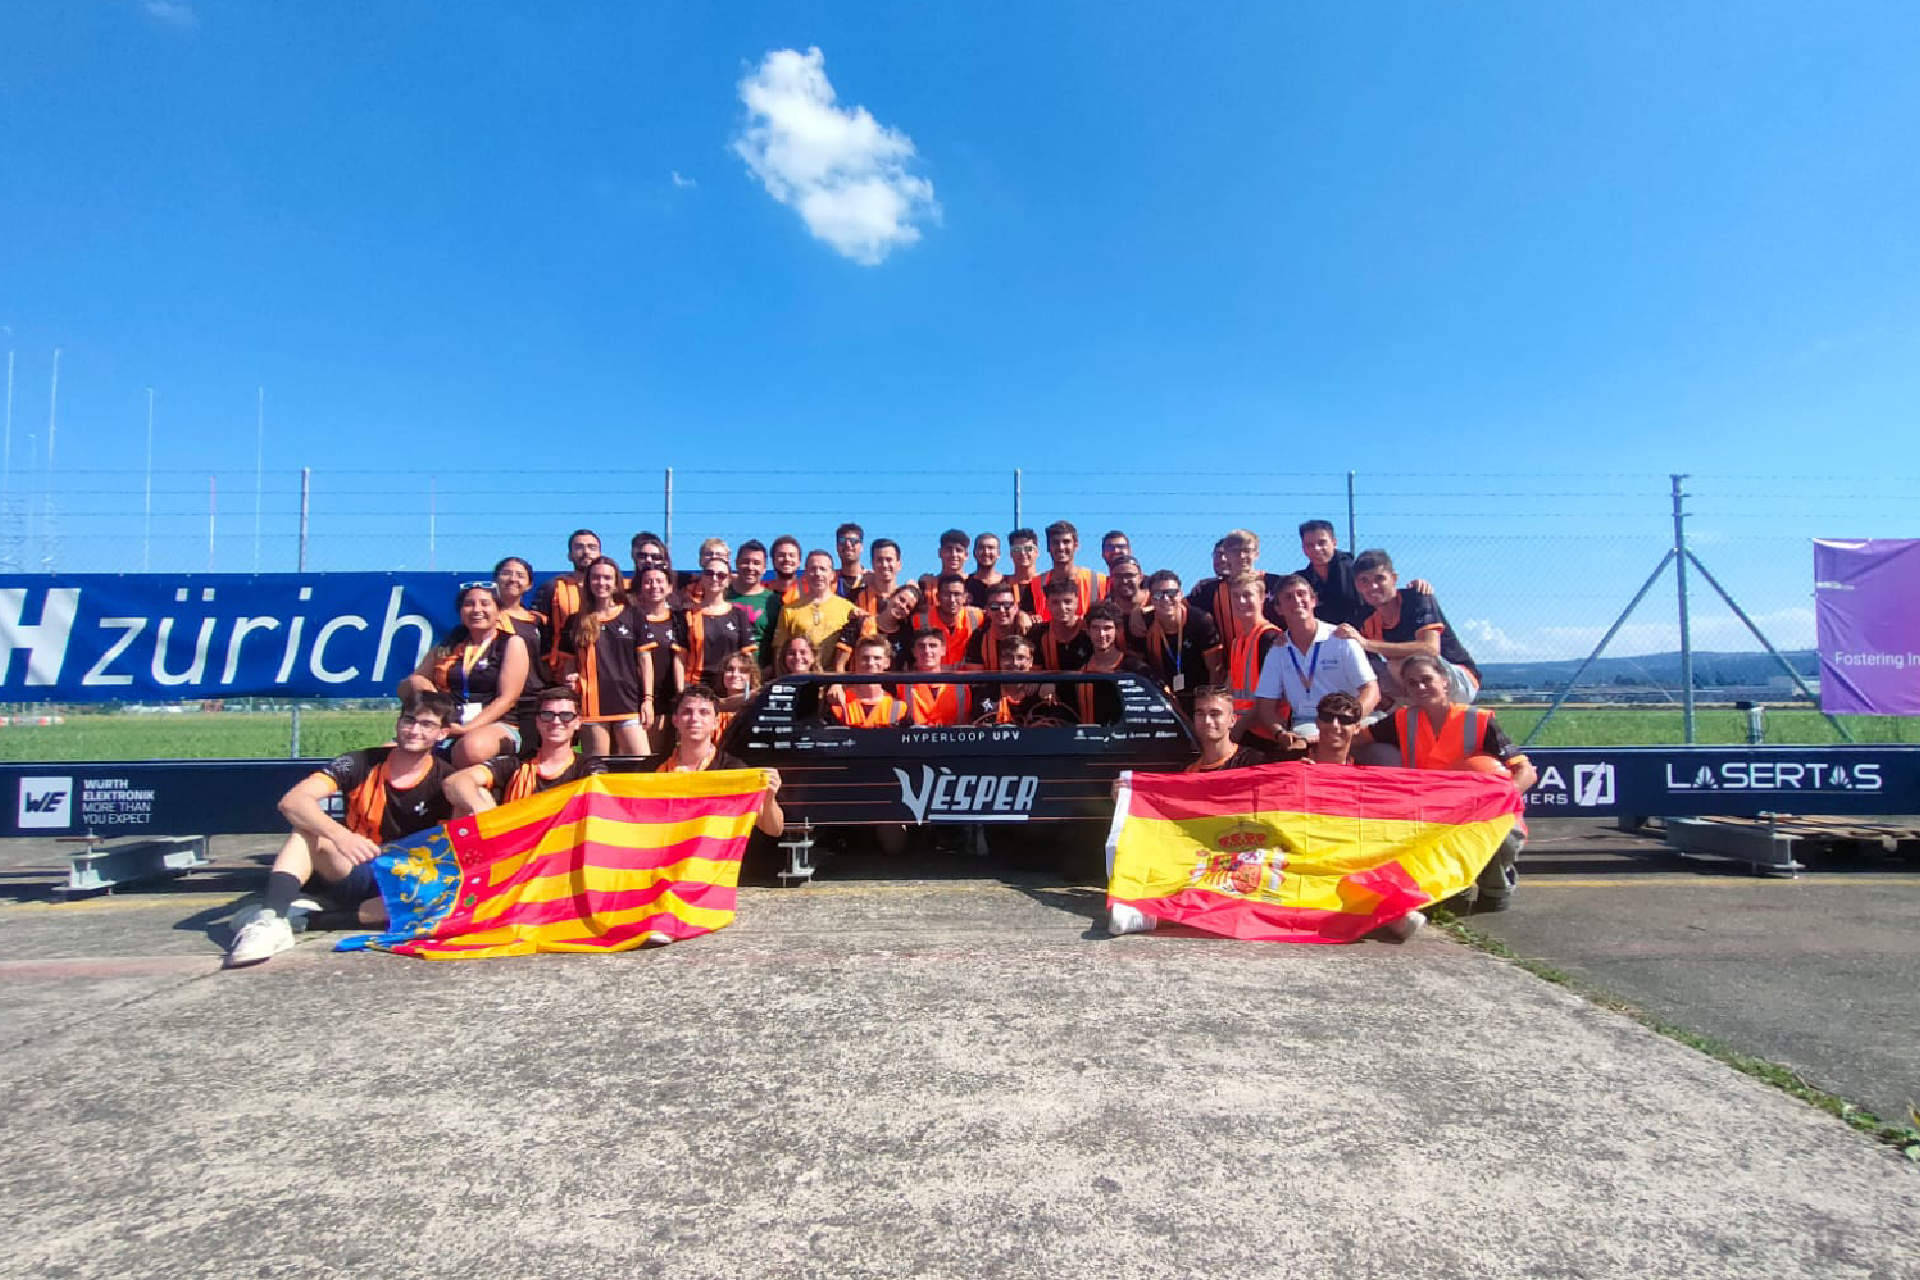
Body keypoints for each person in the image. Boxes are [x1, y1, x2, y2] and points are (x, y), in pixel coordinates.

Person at [225, 692, 470, 966]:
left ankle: (305, 920)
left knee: (438, 903)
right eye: (408, 720)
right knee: (306, 833)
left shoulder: (447, 779)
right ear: (397, 723)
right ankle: (269, 920)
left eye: (427, 724)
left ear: (442, 734)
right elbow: (292, 802)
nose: (414, 730)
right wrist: (340, 835)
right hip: (355, 864)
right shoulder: (360, 762)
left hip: (405, 878)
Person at [1358, 653, 1536, 913]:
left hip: (1482, 811)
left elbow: (1526, 771)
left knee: (1504, 839)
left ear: (1444, 682)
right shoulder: (1402, 720)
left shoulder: (1478, 720)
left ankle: (1496, 887)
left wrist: (1499, 800)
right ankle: (1452, 885)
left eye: (1426, 680)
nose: (1420, 687)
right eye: (1412, 683)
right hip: (1433, 816)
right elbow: (1352, 738)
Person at [398, 582, 531, 767]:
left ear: (499, 610)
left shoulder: (512, 643)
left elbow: (508, 698)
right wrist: (420, 688)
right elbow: (408, 684)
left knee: (471, 748)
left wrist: (466, 729)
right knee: (389, 752)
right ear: (460, 612)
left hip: (496, 724)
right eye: (469, 604)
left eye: (485, 604)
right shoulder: (447, 646)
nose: (477, 610)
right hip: (448, 723)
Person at [1338, 548, 1480, 707]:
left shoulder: (1417, 598)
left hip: (1458, 679)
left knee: (1399, 664)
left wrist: (1367, 644)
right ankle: (1396, 714)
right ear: (1357, 585)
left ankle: (1431, 713)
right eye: (1365, 581)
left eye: (1380, 578)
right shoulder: (1364, 616)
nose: (1373, 586)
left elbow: (1430, 649)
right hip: (1412, 682)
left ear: (1394, 578)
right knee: (1355, 665)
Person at [1247, 573, 1378, 743]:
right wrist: (1279, 733)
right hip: (1308, 724)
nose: (1296, 600)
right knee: (1304, 752)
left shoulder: (1341, 639)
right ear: (1278, 609)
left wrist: (1347, 721)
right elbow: (1265, 705)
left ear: (1314, 600)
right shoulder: (1278, 651)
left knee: (1388, 756)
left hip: (1351, 720)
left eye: (1301, 594)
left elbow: (1371, 690)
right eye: (1288, 597)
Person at [446, 685, 605, 812]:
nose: (556, 722)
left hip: (563, 842)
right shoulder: (516, 765)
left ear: (577, 722)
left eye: (566, 716)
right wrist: (481, 809)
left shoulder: (588, 767)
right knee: (474, 794)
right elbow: (454, 781)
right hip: (516, 842)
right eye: (548, 715)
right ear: (537, 721)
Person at [654, 684, 784, 835]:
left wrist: (768, 798)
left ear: (716, 722)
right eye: (687, 712)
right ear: (675, 721)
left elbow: (774, 829)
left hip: (712, 856)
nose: (695, 718)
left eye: (704, 713)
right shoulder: (653, 769)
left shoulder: (733, 770)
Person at [555, 556, 648, 756]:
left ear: (616, 583)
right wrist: (569, 681)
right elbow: (570, 664)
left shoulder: (633, 615)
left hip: (629, 703)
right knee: (599, 768)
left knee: (641, 764)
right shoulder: (576, 620)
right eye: (596, 577)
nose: (601, 583)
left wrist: (647, 699)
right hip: (592, 705)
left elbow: (644, 660)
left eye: (607, 578)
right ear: (588, 582)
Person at [1217, 570, 1289, 750]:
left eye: (1247, 595)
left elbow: (1270, 697)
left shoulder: (1271, 637)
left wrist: (1237, 730)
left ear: (1262, 597)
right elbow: (1231, 687)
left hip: (1268, 734)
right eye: (1236, 596)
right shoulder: (1237, 642)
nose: (1241, 601)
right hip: (1243, 728)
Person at [1138, 569, 1220, 716]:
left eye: (1171, 593)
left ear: (1180, 594)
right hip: (1168, 700)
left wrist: (1208, 704)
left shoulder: (1200, 622)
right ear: (1151, 598)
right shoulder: (1145, 622)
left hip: (1201, 699)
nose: (1165, 599)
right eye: (1158, 595)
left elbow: (1216, 669)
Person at [1189, 529, 1286, 648]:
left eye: (1247, 550)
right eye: (1235, 551)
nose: (1241, 556)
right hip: (1233, 658)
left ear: (1256, 554)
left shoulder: (1277, 584)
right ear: (1226, 555)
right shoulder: (1209, 590)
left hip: (1276, 653)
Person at [771, 550, 859, 671]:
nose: (817, 573)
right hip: (802, 680)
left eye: (823, 569)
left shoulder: (848, 609)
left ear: (832, 575)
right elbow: (779, 652)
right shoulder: (789, 609)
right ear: (805, 573)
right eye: (813, 569)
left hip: (836, 684)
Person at [532, 528, 601, 673]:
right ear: (569, 555)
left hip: (604, 665)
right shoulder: (553, 587)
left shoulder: (613, 588)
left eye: (592, 547)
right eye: (579, 547)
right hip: (562, 669)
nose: (586, 552)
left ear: (600, 554)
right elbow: (540, 631)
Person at [1075, 601, 1155, 723]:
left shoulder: (1135, 668)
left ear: (1117, 630)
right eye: (1096, 628)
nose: (1101, 634)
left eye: (1107, 628)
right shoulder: (1079, 667)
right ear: (1088, 630)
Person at [685, 555, 756, 688]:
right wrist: (681, 689)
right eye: (709, 573)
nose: (714, 578)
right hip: (697, 685)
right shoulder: (688, 614)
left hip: (730, 685)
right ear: (702, 577)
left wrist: (749, 691)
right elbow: (680, 657)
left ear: (728, 580)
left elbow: (748, 659)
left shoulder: (738, 614)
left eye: (721, 575)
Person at [632, 564, 683, 744]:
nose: (654, 586)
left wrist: (680, 696)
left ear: (669, 587)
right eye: (648, 582)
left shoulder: (679, 619)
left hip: (668, 698)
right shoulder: (630, 618)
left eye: (659, 581)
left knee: (665, 752)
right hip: (636, 698)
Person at [1184, 684, 1277, 773]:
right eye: (1200, 713)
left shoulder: (1254, 763)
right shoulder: (1190, 772)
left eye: (1215, 713)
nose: (1207, 720)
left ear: (1232, 720)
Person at [1028, 520, 1107, 624]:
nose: (1061, 547)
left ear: (1076, 545)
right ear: (1048, 547)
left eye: (1066, 542)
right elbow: (1026, 614)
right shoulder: (1036, 584)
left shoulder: (1099, 581)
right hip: (1047, 638)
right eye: (1055, 542)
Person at [827, 635, 908, 727]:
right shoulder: (839, 700)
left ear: (887, 663)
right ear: (855, 661)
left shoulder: (898, 707)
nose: (870, 663)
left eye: (877, 658)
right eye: (865, 658)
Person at [837, 582, 919, 672]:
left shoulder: (906, 636)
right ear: (892, 596)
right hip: (858, 683)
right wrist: (838, 684)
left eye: (908, 607)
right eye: (901, 599)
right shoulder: (859, 624)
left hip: (891, 685)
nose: (903, 606)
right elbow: (840, 665)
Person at [727, 540, 782, 662]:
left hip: (764, 675)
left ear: (764, 568)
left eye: (756, 563)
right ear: (736, 563)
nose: (750, 567)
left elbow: (778, 645)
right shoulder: (722, 596)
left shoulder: (773, 601)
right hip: (729, 674)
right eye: (745, 562)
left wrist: (770, 671)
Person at [904, 629, 970, 726]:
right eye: (921, 646)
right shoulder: (902, 685)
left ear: (943, 650)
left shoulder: (960, 687)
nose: (927, 651)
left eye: (933, 645)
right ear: (914, 652)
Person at [1029, 575, 1093, 672]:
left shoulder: (1090, 631)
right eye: (1055, 602)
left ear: (1076, 603)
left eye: (1067, 602)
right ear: (1047, 604)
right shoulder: (1037, 635)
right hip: (1051, 685)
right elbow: (1034, 675)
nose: (1062, 607)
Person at [919, 574, 984, 669]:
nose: (952, 600)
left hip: (963, 681)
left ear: (965, 597)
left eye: (957, 594)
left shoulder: (976, 616)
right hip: (931, 680)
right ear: (938, 596)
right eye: (946, 594)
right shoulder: (920, 618)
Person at [964, 581, 1027, 673]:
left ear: (1016, 608)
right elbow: (975, 680)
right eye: (994, 606)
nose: (1001, 610)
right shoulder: (978, 638)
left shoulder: (1028, 634)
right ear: (987, 610)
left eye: (1007, 605)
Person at [713, 650, 761, 738]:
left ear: (751, 677)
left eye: (743, 671)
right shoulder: (711, 702)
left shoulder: (758, 703)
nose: (735, 674)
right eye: (730, 669)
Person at [853, 538, 906, 617]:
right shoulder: (856, 596)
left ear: (899, 564)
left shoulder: (906, 601)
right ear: (872, 563)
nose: (884, 565)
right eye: (879, 560)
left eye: (889, 559)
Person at [918, 528, 972, 599]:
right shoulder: (929, 585)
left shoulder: (973, 584)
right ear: (939, 553)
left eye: (958, 550)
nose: (953, 554)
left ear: (966, 555)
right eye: (948, 550)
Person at [1006, 527, 1043, 617]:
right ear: (1011, 554)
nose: (1022, 553)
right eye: (1017, 549)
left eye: (1028, 548)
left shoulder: (1045, 582)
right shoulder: (1003, 583)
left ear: (1037, 552)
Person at [966, 530, 1006, 608]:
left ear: (999, 554)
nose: (986, 552)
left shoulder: (1009, 584)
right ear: (974, 553)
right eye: (981, 548)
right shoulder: (965, 585)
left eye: (991, 548)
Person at [763, 535, 805, 606]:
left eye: (792, 555)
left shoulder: (808, 590)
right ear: (773, 560)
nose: (787, 559)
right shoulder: (762, 589)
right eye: (781, 555)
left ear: (799, 561)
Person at [833, 522, 868, 600]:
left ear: (861, 547)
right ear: (837, 547)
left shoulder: (872, 580)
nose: (848, 545)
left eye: (853, 541)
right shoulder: (829, 580)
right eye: (842, 541)